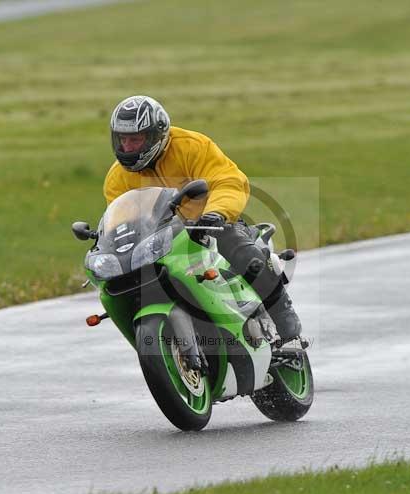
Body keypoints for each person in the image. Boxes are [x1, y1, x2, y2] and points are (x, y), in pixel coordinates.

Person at [102, 95, 302, 343]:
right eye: (123, 140)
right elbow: (123, 221)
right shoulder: (116, 179)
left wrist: (216, 213)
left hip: (210, 226)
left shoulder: (191, 146)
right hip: (164, 242)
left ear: (156, 134)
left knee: (237, 248)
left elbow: (228, 180)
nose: (128, 147)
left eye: (135, 139)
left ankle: (282, 314)